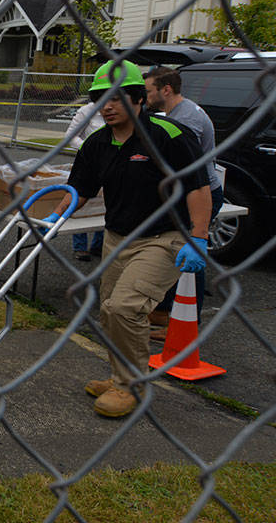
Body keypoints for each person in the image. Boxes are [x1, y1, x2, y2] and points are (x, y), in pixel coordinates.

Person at [43, 60, 211, 419]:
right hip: (116, 237)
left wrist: (199, 236)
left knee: (126, 308)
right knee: (108, 311)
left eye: (117, 98)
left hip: (163, 237)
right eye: (101, 98)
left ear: (138, 100)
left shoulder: (169, 136)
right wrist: (55, 217)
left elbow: (199, 187)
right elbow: (80, 190)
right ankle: (121, 376)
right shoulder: (97, 142)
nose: (108, 106)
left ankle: (132, 386)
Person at [144, 66, 224, 328]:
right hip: (186, 191)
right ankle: (166, 311)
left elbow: (182, 167)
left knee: (190, 252)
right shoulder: (177, 112)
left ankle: (186, 322)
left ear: (166, 90)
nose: (145, 97)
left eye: (148, 91)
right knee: (174, 249)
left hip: (200, 194)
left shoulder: (186, 119)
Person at [66, 101, 106, 262]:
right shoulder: (86, 111)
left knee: (105, 202)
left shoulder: (123, 108)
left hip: (110, 161)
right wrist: (88, 148)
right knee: (82, 199)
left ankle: (99, 244)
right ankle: (80, 246)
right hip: (87, 160)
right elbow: (71, 135)